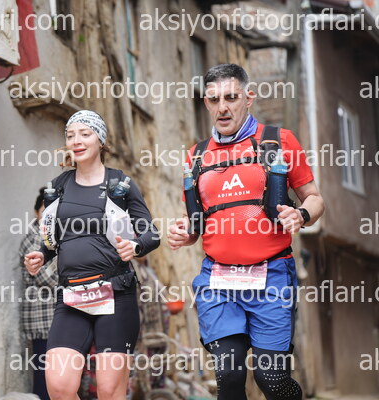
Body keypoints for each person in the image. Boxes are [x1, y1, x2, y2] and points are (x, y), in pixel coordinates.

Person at [167, 64, 324, 400]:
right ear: (206, 103)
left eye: (231, 97)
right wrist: (184, 232)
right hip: (218, 280)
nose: (222, 107)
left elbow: (314, 198)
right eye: (214, 100)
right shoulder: (196, 156)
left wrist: (301, 215)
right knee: (229, 374)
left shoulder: (278, 142)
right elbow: (195, 222)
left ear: (248, 98)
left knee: (272, 380)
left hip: (271, 277)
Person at [24, 110, 160, 400]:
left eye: (85, 134)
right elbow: (52, 240)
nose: (77, 141)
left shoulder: (120, 185)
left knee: (109, 391)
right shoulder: (58, 187)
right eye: (70, 135)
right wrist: (41, 255)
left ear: (101, 140)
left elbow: (151, 234)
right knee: (59, 387)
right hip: (72, 296)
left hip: (115, 294)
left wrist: (135, 247)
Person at [18, 187, 59, 400]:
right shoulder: (35, 239)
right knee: (46, 376)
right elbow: (45, 278)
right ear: (36, 212)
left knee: (57, 374)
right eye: (45, 210)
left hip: (51, 319)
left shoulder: (50, 238)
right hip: (43, 320)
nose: (50, 215)